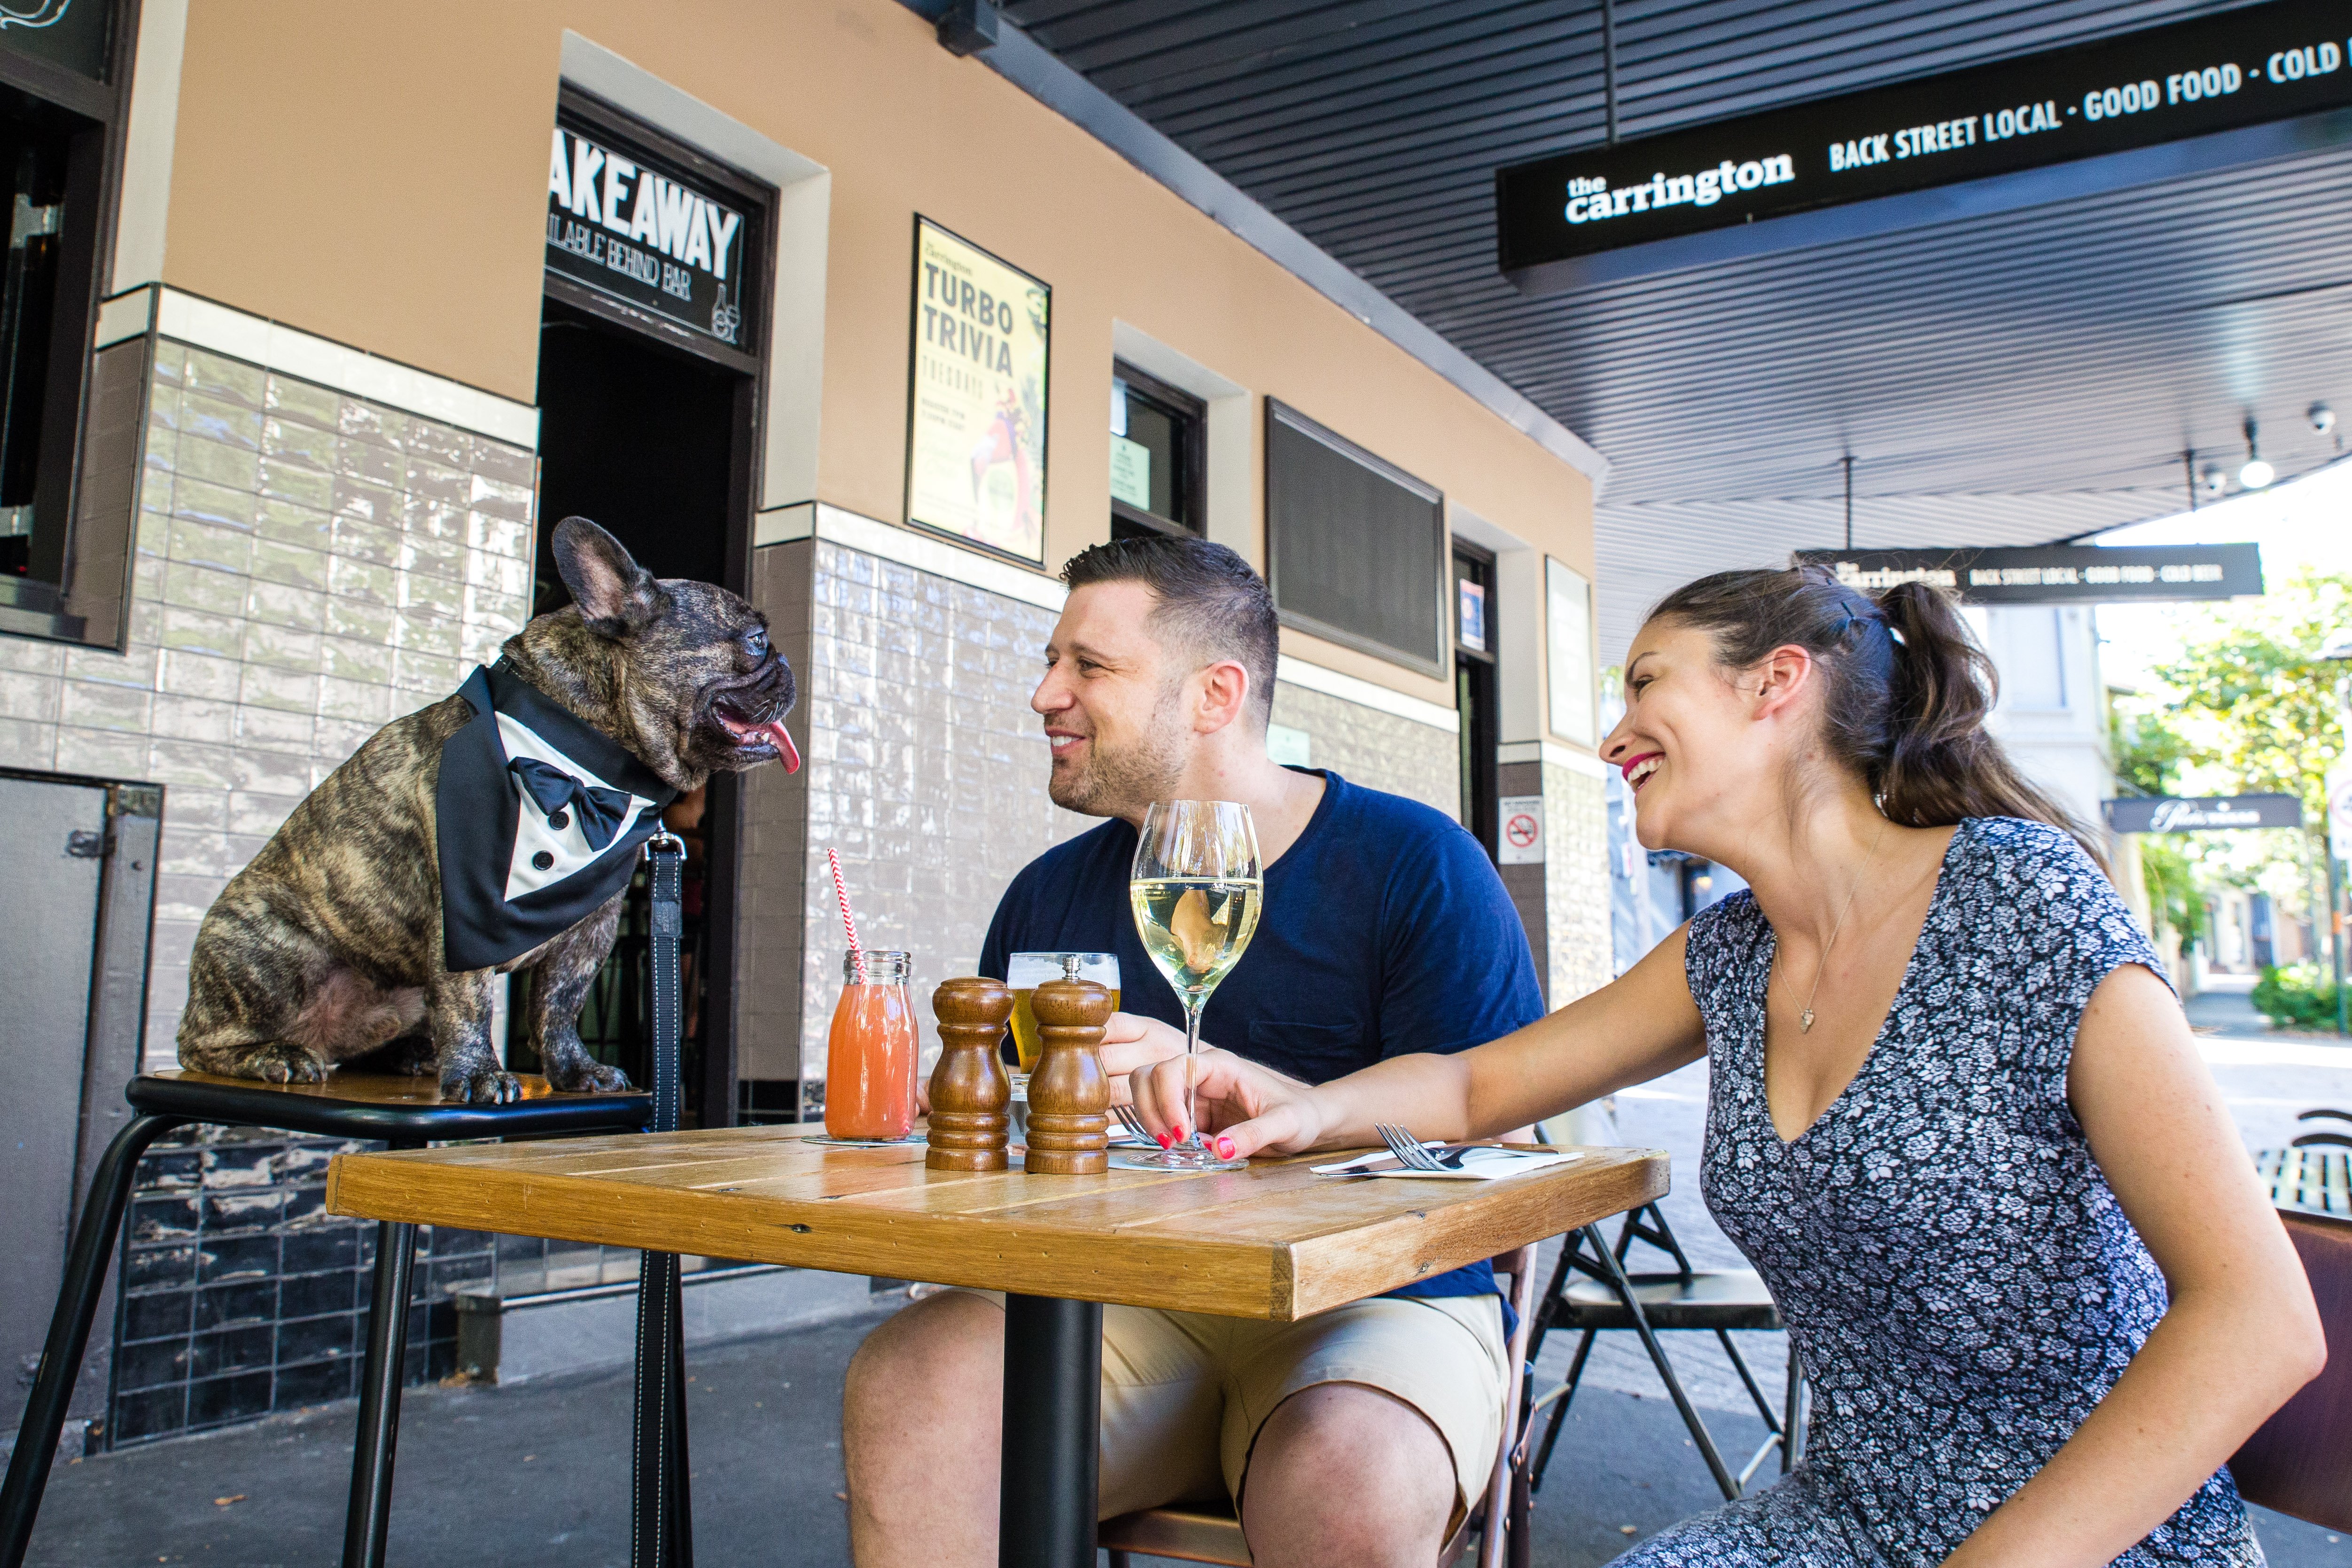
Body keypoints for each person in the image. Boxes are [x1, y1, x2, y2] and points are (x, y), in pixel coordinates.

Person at [1128, 564, 2326, 1567]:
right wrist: (1291, 1106)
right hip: (1848, 1522)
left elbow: (2262, 1321)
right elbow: (1477, 1089)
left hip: (2088, 1534)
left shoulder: (2021, 898)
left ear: (1776, 685)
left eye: (1647, 683)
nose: (1610, 736)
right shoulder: (1729, 954)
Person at [841, 536, 1545, 1568]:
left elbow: (1509, 1140)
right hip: (1122, 1304)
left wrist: (1278, 1102)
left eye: (1089, 665)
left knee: (1350, 1471)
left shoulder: (1414, 863)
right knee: (913, 1385)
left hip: (1375, 1308)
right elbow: (998, 1139)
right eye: (1052, 661)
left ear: (1216, 693)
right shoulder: (1049, 893)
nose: (1045, 693)